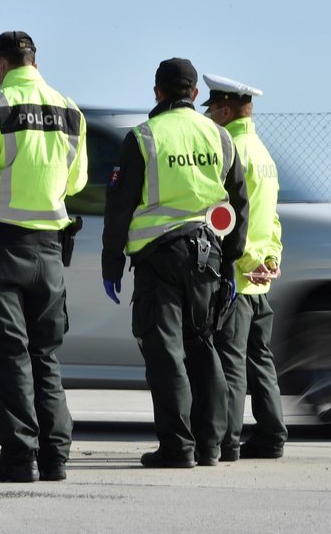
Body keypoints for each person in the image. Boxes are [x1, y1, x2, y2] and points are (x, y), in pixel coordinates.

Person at [0, 30, 88, 482]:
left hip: (3, 249)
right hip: (50, 252)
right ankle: (55, 457)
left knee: (9, 354)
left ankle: (18, 457)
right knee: (45, 354)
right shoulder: (70, 110)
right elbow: (77, 183)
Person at [101, 58, 248, 468]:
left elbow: (120, 207)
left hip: (158, 258)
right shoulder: (219, 137)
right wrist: (230, 261)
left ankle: (177, 447)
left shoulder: (144, 137)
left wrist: (111, 263)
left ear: (157, 92)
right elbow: (239, 202)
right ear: (196, 94)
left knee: (165, 352)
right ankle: (210, 446)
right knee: (203, 346)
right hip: (208, 257)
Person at [202, 73, 287, 461]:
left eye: (214, 109)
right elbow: (271, 219)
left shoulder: (229, 148)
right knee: (261, 359)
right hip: (260, 276)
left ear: (226, 108)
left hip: (235, 274)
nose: (211, 116)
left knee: (232, 361)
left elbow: (221, 213)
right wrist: (270, 259)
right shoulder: (265, 153)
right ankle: (272, 436)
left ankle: (228, 440)